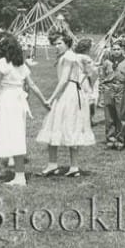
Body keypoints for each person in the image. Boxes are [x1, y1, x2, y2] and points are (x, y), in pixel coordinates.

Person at [0, 34, 47, 186]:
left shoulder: (2, 63)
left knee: (8, 135)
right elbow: (33, 85)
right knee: (9, 134)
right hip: (19, 101)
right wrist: (44, 102)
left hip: (7, 100)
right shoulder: (20, 64)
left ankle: (19, 177)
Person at [37, 34, 96, 177]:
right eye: (55, 44)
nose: (56, 46)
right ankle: (61, 165)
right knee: (61, 125)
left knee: (62, 125)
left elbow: (64, 80)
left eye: (59, 43)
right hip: (72, 93)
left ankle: (67, 166)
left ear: (67, 44)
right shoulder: (72, 56)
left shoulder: (69, 57)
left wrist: (51, 99)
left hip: (69, 94)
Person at [99, 41, 125, 150]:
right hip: (108, 88)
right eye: (114, 49)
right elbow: (102, 77)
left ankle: (120, 140)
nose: (116, 51)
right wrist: (101, 92)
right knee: (109, 115)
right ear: (111, 50)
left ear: (122, 50)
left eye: (118, 49)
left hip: (121, 87)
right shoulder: (107, 62)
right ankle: (110, 139)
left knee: (120, 115)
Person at [74, 38, 100, 126]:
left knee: (79, 99)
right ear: (86, 48)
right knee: (89, 99)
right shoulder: (86, 57)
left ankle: (79, 119)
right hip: (84, 80)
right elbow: (91, 71)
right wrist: (99, 67)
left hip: (76, 79)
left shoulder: (76, 56)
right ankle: (88, 120)